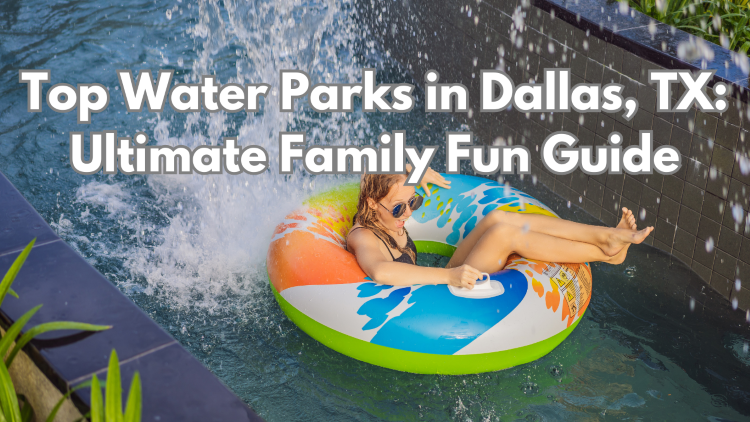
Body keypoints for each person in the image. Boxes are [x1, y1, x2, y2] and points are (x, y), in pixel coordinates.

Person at [346, 169, 654, 290]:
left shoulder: (387, 205)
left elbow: (396, 175)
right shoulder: (363, 235)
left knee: (497, 218)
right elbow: (382, 272)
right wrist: (450, 275)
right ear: (372, 205)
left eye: (414, 201)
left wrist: (418, 173)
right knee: (504, 236)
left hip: (433, 284)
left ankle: (604, 235)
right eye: (399, 208)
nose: (409, 213)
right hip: (428, 301)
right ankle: (606, 256)